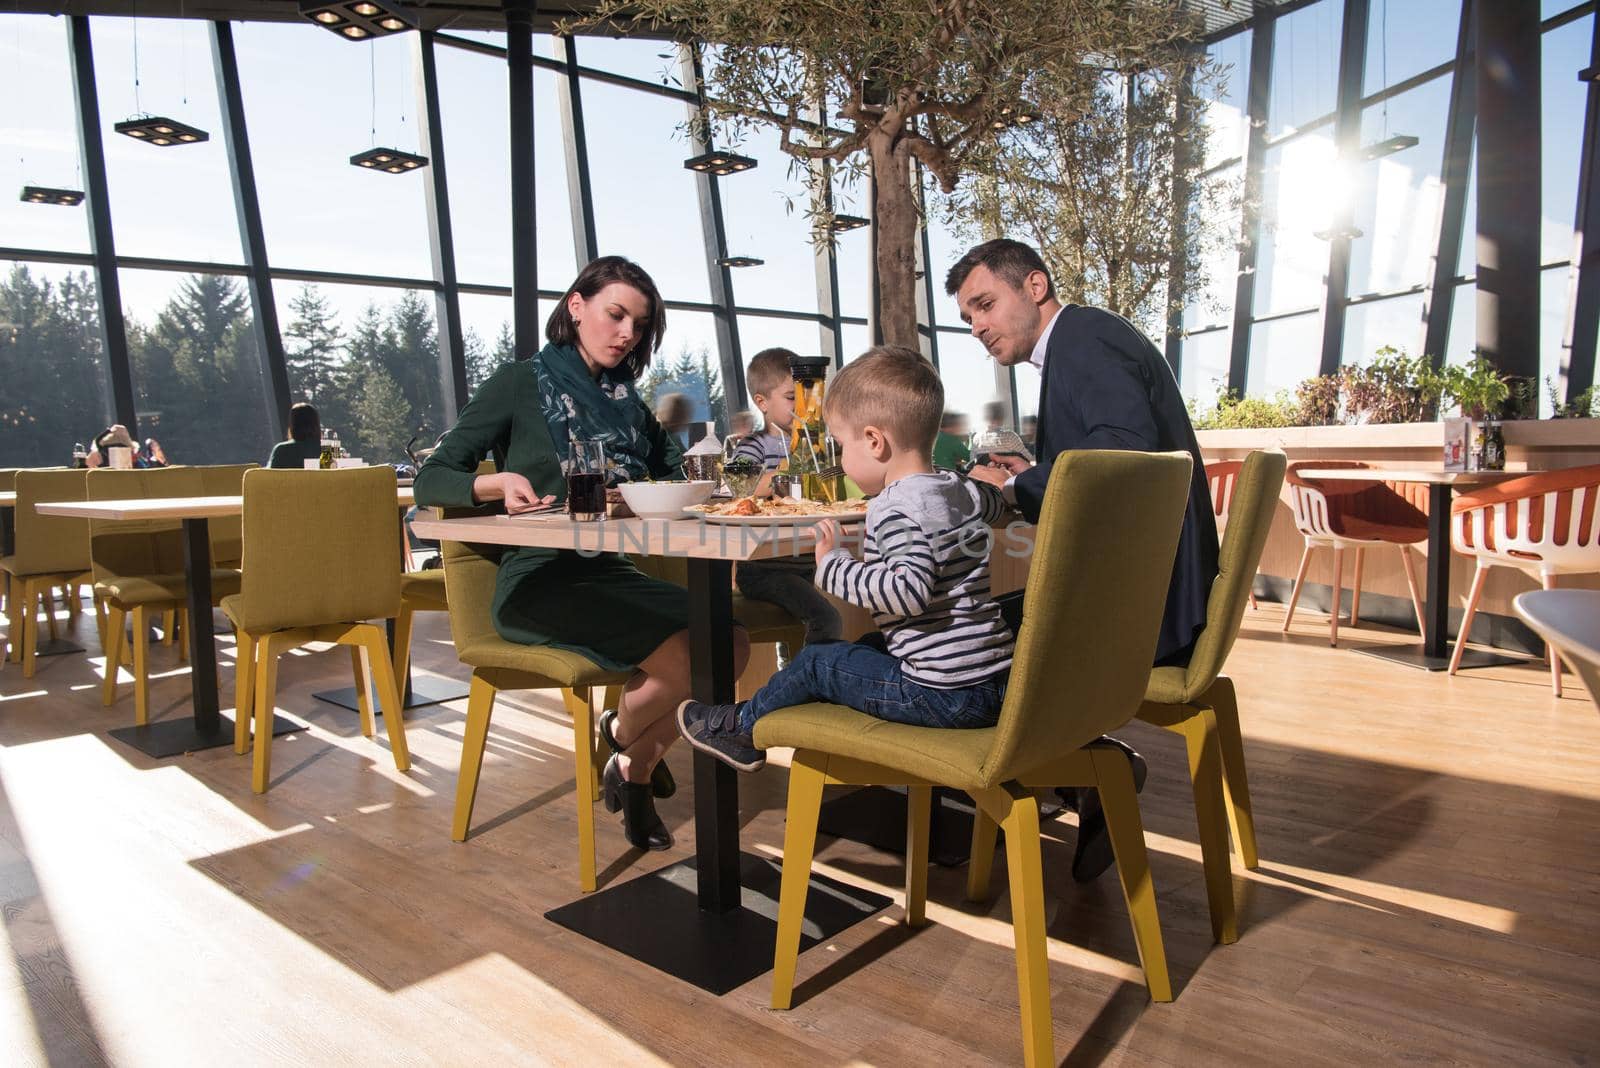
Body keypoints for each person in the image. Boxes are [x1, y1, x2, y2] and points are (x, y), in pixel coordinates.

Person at [414, 256, 752, 851]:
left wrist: (709, 479)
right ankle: (634, 759)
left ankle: (623, 748)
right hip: (539, 583)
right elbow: (433, 477)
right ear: (577, 307)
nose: (628, 335)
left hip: (609, 571)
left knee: (732, 640)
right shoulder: (521, 383)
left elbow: (673, 471)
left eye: (640, 325)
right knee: (696, 658)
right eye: (616, 315)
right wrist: (496, 484)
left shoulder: (626, 401)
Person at [949, 237, 1219, 881]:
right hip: (1152, 586)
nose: (978, 327)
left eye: (985, 305)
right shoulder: (1082, 344)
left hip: (1152, 607)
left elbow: (1121, 458)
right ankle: (1081, 780)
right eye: (968, 318)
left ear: (1034, 287)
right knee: (991, 622)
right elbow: (1108, 460)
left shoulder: (1086, 341)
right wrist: (1032, 475)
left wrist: (1013, 488)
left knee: (963, 635)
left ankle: (1073, 780)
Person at [678, 346, 1014, 772]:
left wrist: (833, 564)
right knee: (864, 647)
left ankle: (738, 728)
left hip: (941, 696)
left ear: (874, 441)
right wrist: (1002, 486)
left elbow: (907, 593)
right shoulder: (953, 488)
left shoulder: (895, 507)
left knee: (819, 661)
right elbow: (993, 502)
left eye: (841, 446)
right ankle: (789, 709)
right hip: (993, 682)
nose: (839, 461)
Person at [728, 348, 843, 647]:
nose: (804, 407)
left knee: (797, 634)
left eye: (808, 397)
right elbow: (736, 485)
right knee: (826, 620)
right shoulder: (755, 445)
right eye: (793, 398)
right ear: (762, 402)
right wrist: (786, 472)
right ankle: (812, 677)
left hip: (806, 563)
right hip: (765, 570)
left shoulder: (818, 447)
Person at [268, 402, 324, 469]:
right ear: (316, 424)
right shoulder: (327, 450)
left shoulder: (281, 450)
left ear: (293, 424)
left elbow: (269, 476)